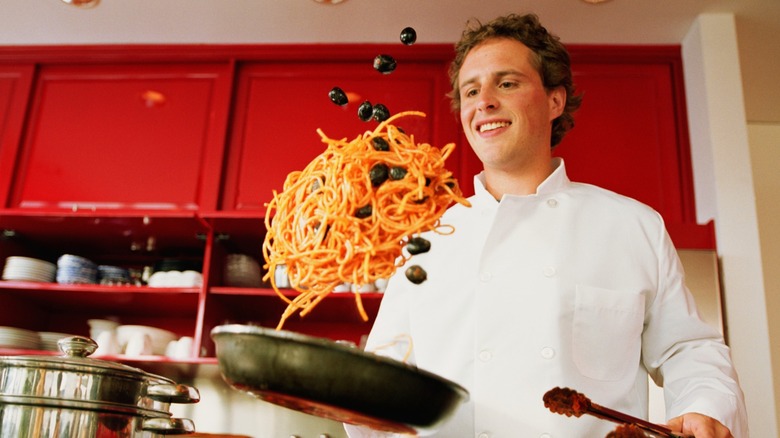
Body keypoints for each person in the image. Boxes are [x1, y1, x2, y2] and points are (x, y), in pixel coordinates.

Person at [344, 13, 748, 438]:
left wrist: (706, 408)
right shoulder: (426, 240)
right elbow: (380, 382)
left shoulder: (632, 227)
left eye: (507, 83)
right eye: (471, 90)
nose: (484, 101)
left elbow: (689, 349)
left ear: (555, 101)